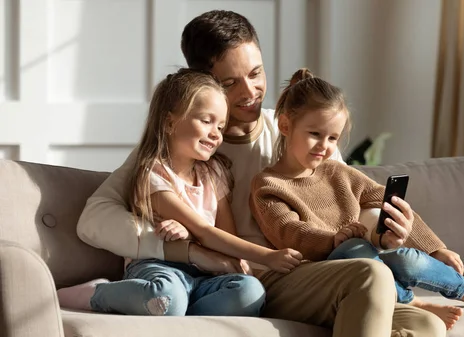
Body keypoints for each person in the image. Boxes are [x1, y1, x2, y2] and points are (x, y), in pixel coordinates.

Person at [75, 10, 451, 337]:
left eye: (256, 73)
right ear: (203, 82)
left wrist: (384, 232)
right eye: (229, 83)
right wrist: (182, 249)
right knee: (370, 277)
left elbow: (345, 202)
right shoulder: (185, 145)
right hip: (260, 280)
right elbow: (94, 219)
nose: (250, 91)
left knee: (425, 326)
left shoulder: (296, 129)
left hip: (324, 274)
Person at [250, 68, 464, 330]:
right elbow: (288, 231)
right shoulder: (268, 185)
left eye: (332, 138)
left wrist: (436, 249)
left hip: (365, 263)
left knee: (405, 258)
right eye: (314, 134)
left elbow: (389, 203)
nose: (324, 146)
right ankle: (409, 300)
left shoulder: (339, 173)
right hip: (321, 272)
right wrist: (335, 238)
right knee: (353, 249)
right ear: (285, 126)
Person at [58, 69, 302, 316]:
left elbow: (225, 234)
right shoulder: (153, 173)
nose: (216, 134)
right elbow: (205, 232)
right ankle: (96, 294)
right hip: (159, 268)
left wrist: (237, 264)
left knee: (250, 292)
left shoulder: (214, 173)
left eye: (220, 125)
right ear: (169, 121)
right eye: (206, 121)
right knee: (166, 296)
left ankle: (178, 314)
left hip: (202, 276)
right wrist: (269, 256)